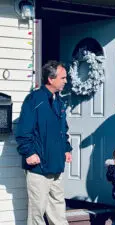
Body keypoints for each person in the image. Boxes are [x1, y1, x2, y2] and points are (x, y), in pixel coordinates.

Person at [15, 60, 72, 225]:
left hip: (56, 165)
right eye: (63, 77)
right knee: (37, 213)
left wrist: (66, 149)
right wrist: (29, 152)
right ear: (50, 79)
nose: (66, 81)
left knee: (58, 210)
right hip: (38, 166)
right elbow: (23, 131)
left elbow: (63, 130)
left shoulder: (59, 102)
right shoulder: (34, 99)